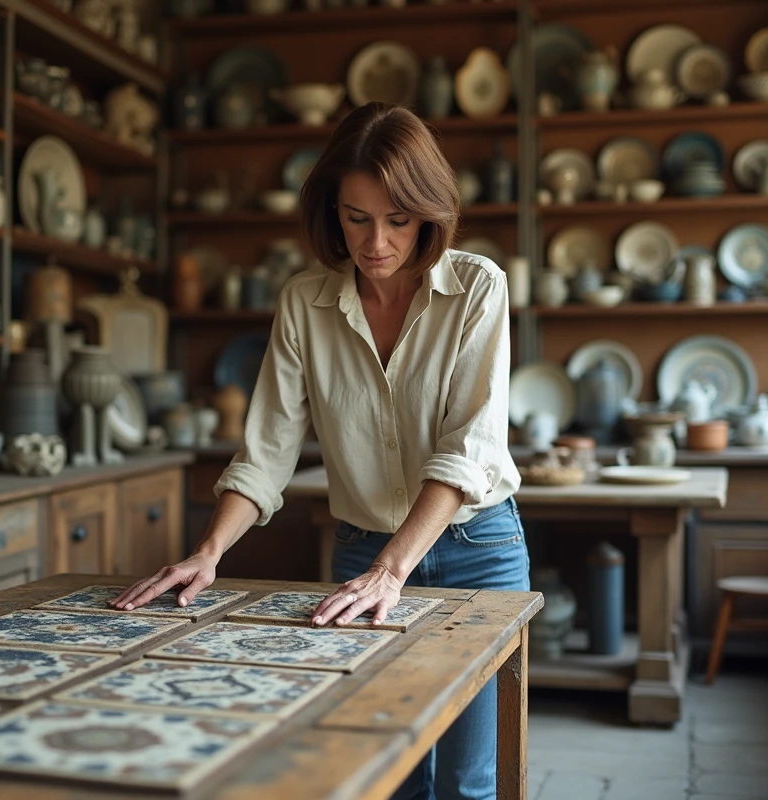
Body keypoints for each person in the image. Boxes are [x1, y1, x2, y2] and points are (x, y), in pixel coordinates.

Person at [112, 102, 529, 800]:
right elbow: (267, 449)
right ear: (331, 210)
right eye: (356, 216)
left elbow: (469, 446)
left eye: (397, 219)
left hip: (475, 551)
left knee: (466, 782)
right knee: (384, 769)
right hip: (363, 552)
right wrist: (208, 552)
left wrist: (395, 571)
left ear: (429, 211)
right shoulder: (304, 302)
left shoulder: (478, 288)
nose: (376, 242)